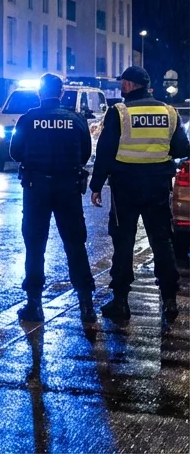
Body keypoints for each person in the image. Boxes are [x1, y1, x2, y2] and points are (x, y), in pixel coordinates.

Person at [90, 65, 190, 323]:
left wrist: (96, 185)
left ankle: (121, 302)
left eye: (123, 82)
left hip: (126, 187)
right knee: (162, 241)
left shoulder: (119, 112)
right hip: (158, 186)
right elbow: (181, 148)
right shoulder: (168, 112)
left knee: (123, 241)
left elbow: (105, 152)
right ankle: (169, 300)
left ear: (131, 85)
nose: (121, 86)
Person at [9, 73, 96, 322]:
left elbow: (15, 152)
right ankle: (86, 304)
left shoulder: (28, 119)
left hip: (36, 189)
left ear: (39, 93)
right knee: (75, 244)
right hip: (68, 188)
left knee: (35, 245)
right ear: (61, 93)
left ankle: (34, 304)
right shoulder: (75, 119)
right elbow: (85, 153)